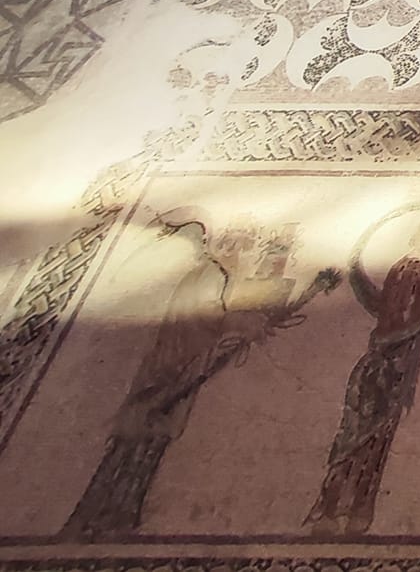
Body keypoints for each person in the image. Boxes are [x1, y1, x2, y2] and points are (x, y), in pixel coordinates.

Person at [65, 215, 338, 538]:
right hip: (174, 364)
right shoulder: (208, 273)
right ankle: (108, 511)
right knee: (144, 433)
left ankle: (113, 511)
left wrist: (245, 322)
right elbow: (206, 317)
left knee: (147, 435)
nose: (242, 251)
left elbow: (207, 316)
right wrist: (243, 323)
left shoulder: (208, 273)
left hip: (178, 362)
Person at [307, 209, 420, 537]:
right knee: (360, 433)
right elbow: (416, 309)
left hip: (393, 359)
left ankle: (349, 508)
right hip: (384, 358)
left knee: (367, 436)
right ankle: (337, 506)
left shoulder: (419, 267)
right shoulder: (418, 268)